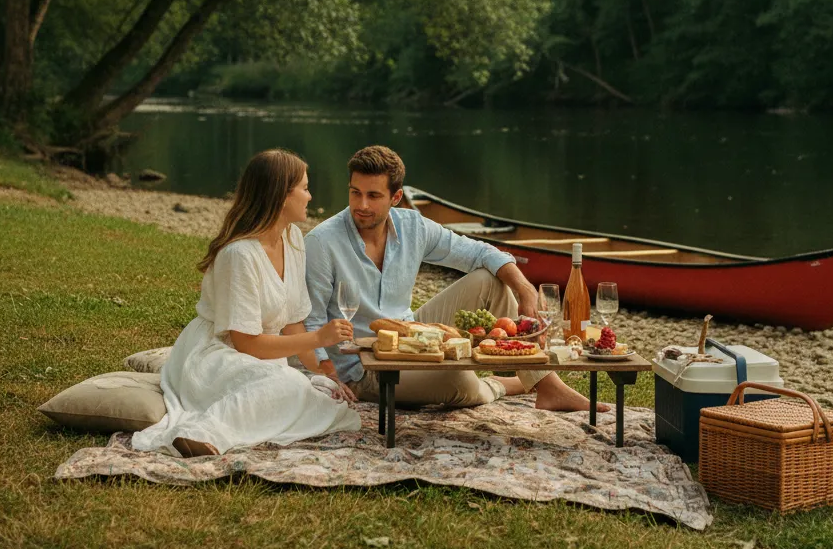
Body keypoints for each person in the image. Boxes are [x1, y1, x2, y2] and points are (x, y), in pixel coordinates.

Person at [305, 145, 608, 412]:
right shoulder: (323, 241)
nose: (362, 205)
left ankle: (545, 385)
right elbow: (312, 318)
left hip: (410, 333)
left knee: (490, 280)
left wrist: (525, 288)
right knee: (459, 379)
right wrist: (328, 372)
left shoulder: (413, 226)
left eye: (373, 195)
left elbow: (479, 252)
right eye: (355, 192)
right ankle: (503, 385)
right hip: (363, 368)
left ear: (396, 197)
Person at [132, 149, 361, 458]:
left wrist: (323, 369)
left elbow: (292, 322)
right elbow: (246, 344)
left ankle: (258, 412)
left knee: (329, 403)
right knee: (287, 387)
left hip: (264, 360)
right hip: (217, 354)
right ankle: (199, 434)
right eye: (304, 188)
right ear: (281, 195)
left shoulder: (292, 239)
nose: (310, 196)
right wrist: (320, 338)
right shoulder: (238, 255)